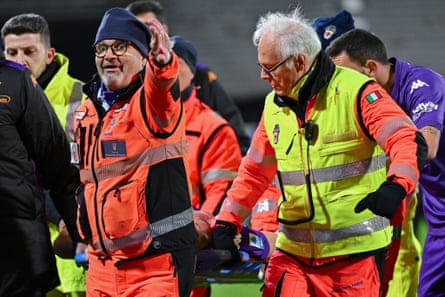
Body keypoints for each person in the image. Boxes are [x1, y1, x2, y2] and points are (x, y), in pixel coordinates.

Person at [211, 7, 428, 297]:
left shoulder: (358, 91)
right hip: (292, 256)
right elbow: (254, 171)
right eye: (260, 66)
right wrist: (228, 220)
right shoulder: (273, 106)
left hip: (354, 260)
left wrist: (396, 186)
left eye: (270, 67)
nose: (263, 76)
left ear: (300, 61)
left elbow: (406, 139)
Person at [72, 7, 196, 297]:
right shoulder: (86, 110)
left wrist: (162, 64)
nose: (108, 55)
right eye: (101, 48)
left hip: (154, 264)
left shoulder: (151, 103)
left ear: (143, 57)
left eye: (119, 47)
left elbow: (162, 87)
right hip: (101, 264)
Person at [325, 28, 445, 297]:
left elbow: (427, 147)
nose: (341, 86)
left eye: (345, 76)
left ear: (370, 68)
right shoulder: (372, 102)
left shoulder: (422, 85)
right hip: (438, 214)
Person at [1, 13, 87, 297]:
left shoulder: (81, 99)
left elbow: (76, 172)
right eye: (12, 52)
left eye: (29, 51)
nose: (20, 59)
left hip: (67, 256)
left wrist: (78, 232)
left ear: (49, 54)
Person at [126, 0, 251, 155]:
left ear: (163, 29)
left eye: (146, 27)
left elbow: (231, 123)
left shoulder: (195, 72)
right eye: (133, 28)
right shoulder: (120, 78)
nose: (141, 34)